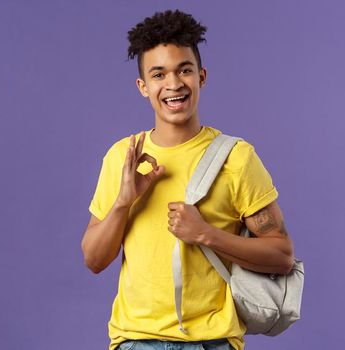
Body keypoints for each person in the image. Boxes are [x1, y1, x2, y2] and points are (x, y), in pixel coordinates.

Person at [80, 10, 295, 350]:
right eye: (158, 74)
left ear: (202, 76)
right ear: (143, 87)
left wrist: (205, 234)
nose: (174, 84)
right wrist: (124, 202)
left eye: (184, 70)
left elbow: (281, 254)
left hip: (213, 341)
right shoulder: (124, 157)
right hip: (136, 340)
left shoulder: (236, 158)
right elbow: (93, 260)